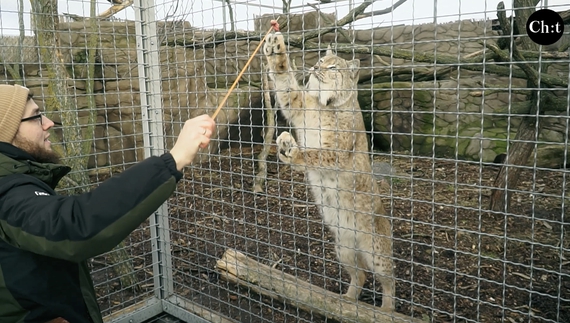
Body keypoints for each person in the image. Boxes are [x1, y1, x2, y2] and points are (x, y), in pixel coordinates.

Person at [0, 84, 216, 323]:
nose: (49, 122)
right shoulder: (8, 191)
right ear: (6, 131)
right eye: (37, 116)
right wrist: (174, 159)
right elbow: (73, 226)